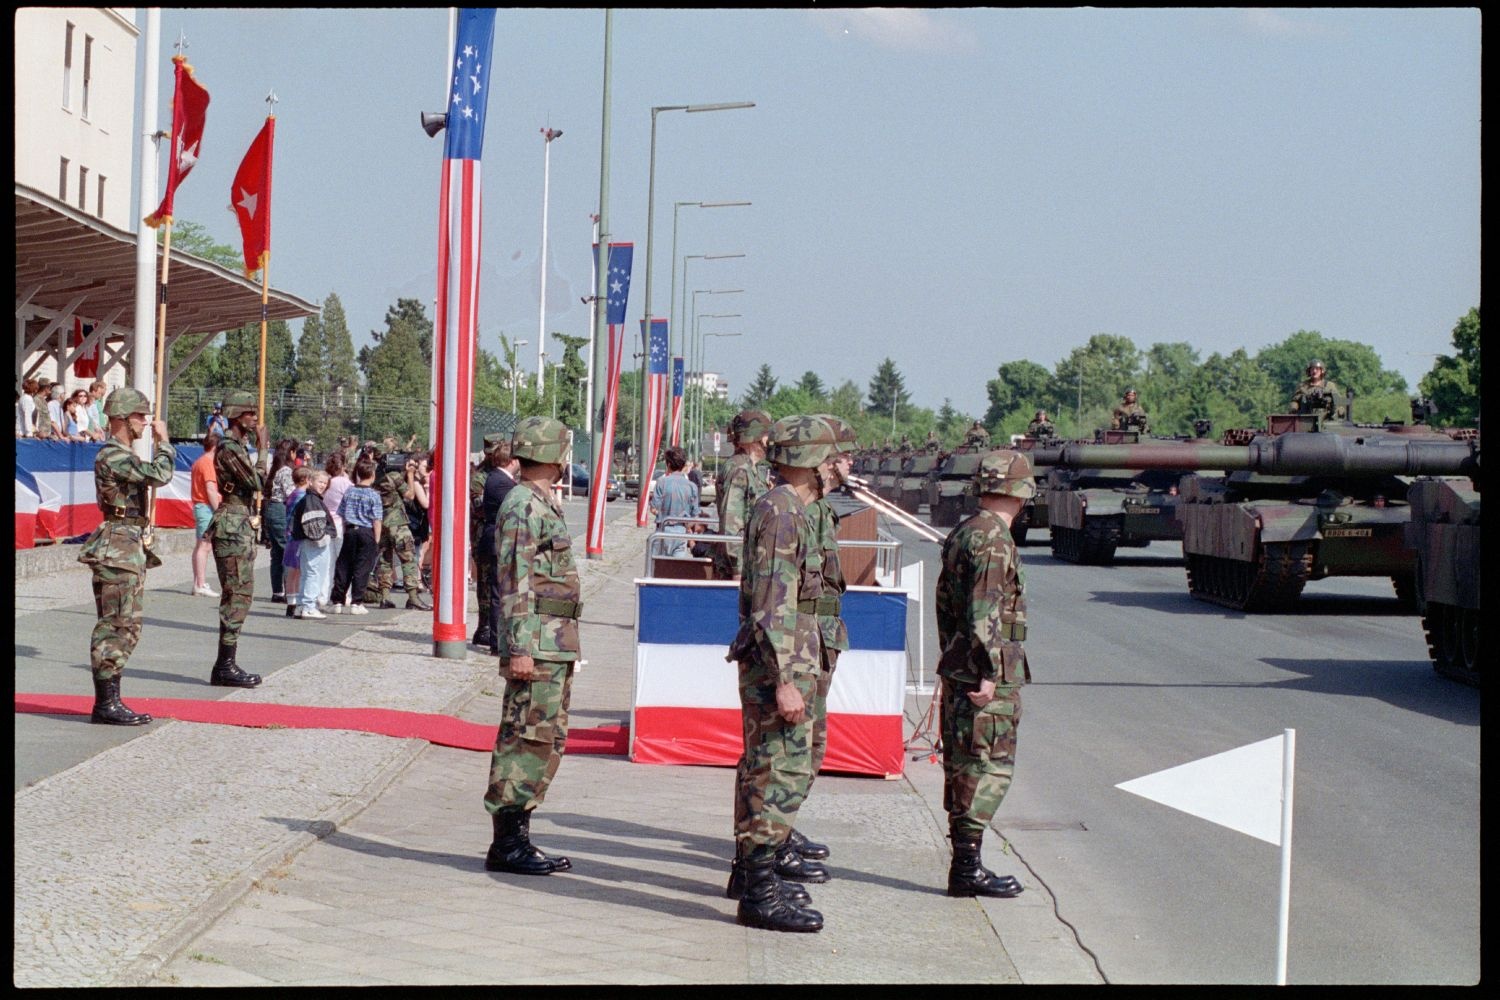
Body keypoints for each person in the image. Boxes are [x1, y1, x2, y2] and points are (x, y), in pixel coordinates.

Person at [723, 415, 838, 934]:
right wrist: (786, 678)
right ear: (811, 458)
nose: (840, 462)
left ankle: (755, 879)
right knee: (776, 773)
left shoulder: (788, 507)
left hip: (785, 660)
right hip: (779, 667)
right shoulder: (782, 511)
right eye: (832, 453)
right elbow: (773, 604)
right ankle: (760, 895)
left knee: (770, 769)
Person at [482, 416, 580, 877]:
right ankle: (507, 843)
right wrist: (519, 647)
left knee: (548, 738)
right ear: (554, 455)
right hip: (536, 644)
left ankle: (518, 835)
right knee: (525, 736)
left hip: (554, 642)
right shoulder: (522, 504)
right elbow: (514, 581)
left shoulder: (539, 501)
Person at [935, 449, 1034, 899]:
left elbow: (948, 609)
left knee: (963, 766)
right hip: (982, 673)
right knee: (986, 766)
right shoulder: (994, 539)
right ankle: (968, 870)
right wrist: (989, 670)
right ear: (1021, 490)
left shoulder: (966, 532)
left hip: (961, 664)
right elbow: (982, 612)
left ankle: (966, 867)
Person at [77, 387, 176, 725]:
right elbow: (158, 475)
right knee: (116, 624)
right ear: (120, 418)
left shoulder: (123, 454)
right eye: (139, 416)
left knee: (127, 625)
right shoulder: (112, 455)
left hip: (127, 543)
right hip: (117, 545)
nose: (145, 422)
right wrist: (165, 444)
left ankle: (112, 700)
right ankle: (105, 704)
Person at [204, 390, 269, 688]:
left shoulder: (237, 447)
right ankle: (225, 665)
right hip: (232, 523)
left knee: (240, 594)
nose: (255, 419)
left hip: (238, 522)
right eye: (250, 414)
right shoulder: (230, 449)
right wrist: (264, 448)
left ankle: (225, 663)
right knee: (237, 594)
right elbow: (256, 482)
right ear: (237, 416)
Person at [363, 447, 432, 610]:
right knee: (408, 559)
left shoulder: (376, 477)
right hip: (398, 524)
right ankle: (413, 597)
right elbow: (409, 495)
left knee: (385, 561)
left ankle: (385, 596)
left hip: (382, 523)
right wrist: (409, 475)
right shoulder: (394, 476)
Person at [713, 408, 773, 580]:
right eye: (768, 434)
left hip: (752, 563)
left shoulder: (751, 468)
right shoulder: (740, 469)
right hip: (742, 569)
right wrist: (737, 570)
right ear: (758, 437)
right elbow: (732, 525)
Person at [473, 434, 518, 651]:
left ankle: (494, 635)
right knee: (493, 593)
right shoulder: (494, 480)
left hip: (493, 537)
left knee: (496, 592)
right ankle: (491, 635)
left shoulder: (496, 478)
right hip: (490, 537)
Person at [327, 458, 382, 616]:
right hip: (366, 531)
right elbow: (376, 519)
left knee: (344, 566)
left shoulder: (350, 491)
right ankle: (356, 602)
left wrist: (346, 531)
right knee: (362, 568)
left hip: (350, 530)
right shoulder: (374, 495)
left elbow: (342, 514)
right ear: (372, 475)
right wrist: (376, 539)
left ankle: (337, 600)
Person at [290, 468, 333, 619]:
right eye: (320, 482)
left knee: (307, 573)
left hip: (307, 541)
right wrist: (320, 538)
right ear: (311, 481)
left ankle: (302, 605)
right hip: (315, 541)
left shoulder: (309, 498)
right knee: (315, 573)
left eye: (325, 483)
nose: (323, 485)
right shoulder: (312, 500)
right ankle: (309, 606)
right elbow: (312, 524)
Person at [649, 446, 699, 558]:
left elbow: (653, 509)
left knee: (657, 568)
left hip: (663, 530)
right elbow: (695, 516)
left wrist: (662, 513)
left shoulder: (662, 482)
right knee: (676, 569)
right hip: (681, 532)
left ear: (668, 464)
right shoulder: (692, 486)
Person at [264, 439, 298, 603]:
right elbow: (291, 493)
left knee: (276, 553)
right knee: (286, 551)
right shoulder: (286, 471)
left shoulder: (275, 469)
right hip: (281, 510)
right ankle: (287, 590)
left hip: (272, 509)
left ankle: (277, 591)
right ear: (291, 453)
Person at [189, 431, 222, 597]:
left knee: (200, 545)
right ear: (216, 447)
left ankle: (198, 582)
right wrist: (219, 509)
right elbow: (210, 489)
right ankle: (200, 583)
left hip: (200, 506)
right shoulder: (207, 463)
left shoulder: (198, 462)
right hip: (206, 507)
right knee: (205, 545)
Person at [321, 451, 353, 608]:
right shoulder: (345, 483)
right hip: (341, 524)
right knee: (343, 563)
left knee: (327, 562)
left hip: (326, 524)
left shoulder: (326, 481)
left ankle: (323, 595)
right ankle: (344, 595)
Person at [280, 466, 312, 617]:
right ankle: (295, 600)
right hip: (297, 536)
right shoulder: (302, 496)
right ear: (306, 479)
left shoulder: (293, 494)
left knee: (293, 570)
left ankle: (291, 601)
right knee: (298, 570)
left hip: (290, 534)